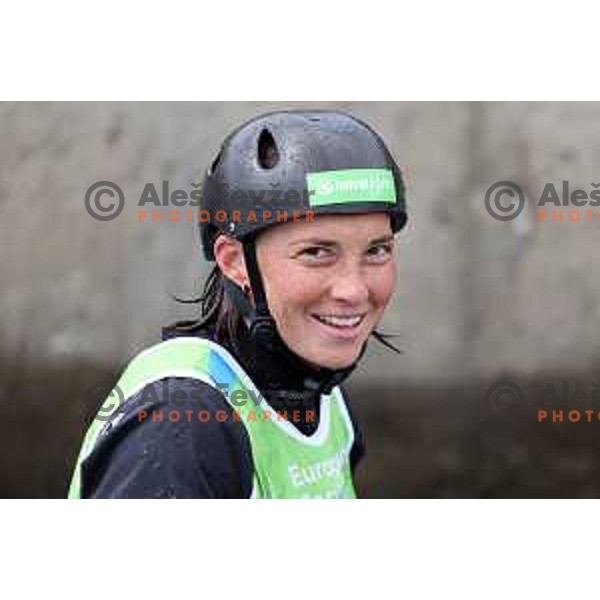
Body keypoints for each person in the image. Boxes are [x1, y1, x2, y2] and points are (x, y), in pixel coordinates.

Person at [67, 109, 408, 499]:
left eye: (377, 250)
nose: (355, 290)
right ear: (234, 261)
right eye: (316, 252)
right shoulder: (182, 425)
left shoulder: (318, 388)